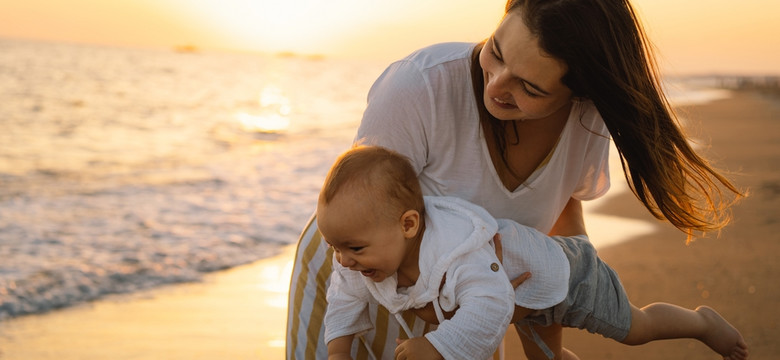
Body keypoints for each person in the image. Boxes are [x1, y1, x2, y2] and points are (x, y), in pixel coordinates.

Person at [286, 0, 743, 359]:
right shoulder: (418, 88)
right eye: (496, 52)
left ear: (578, 94)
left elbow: (558, 227)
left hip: (474, 298)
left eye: (531, 87)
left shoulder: (585, 121)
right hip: (360, 271)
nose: (496, 86)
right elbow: (360, 200)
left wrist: (551, 307)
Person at [318, 145, 748, 360]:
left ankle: (700, 321)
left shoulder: (456, 251)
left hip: (567, 278)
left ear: (408, 225)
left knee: (636, 327)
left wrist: (434, 347)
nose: (344, 260)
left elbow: (491, 305)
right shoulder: (362, 258)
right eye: (334, 247)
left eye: (353, 248)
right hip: (526, 299)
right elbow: (343, 295)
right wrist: (338, 351)